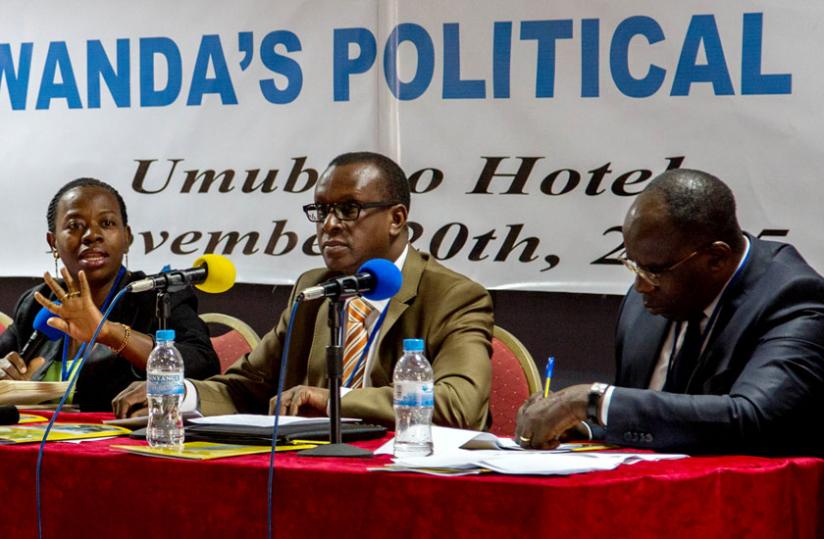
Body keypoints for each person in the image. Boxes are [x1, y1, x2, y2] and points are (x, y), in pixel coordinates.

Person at [113, 152, 493, 429]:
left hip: (408, 477)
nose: (329, 225)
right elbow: (248, 387)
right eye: (321, 210)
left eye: (347, 210)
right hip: (316, 470)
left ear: (396, 219)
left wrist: (336, 400)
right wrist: (179, 394)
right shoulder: (314, 288)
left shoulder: (453, 296)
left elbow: (459, 404)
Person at [516, 169, 824, 455]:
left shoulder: (794, 299)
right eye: (633, 265)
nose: (639, 286)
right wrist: (580, 426)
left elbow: (751, 418)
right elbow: (653, 418)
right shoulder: (651, 299)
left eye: (652, 271)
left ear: (716, 258)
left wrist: (593, 401)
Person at [0, 178, 219, 411]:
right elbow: (6, 361)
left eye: (106, 223)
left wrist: (110, 334)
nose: (91, 235)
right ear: (53, 242)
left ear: (127, 238)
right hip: (38, 441)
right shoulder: (38, 302)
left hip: (122, 443)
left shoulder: (158, 297)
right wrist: (5, 375)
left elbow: (203, 364)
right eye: (74, 225)